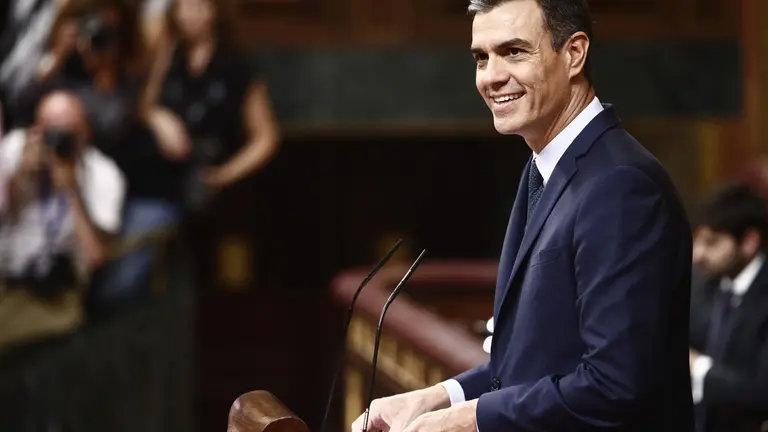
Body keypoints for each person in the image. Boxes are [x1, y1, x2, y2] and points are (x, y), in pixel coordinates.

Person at [351, 0, 694, 431]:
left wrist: (468, 418)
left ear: (574, 54)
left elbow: (615, 385)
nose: (491, 76)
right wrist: (436, 397)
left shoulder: (620, 185)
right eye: (481, 57)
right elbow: (535, 359)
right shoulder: (543, 166)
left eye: (514, 51)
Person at [0, 90, 125, 347]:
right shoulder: (15, 148)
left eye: (66, 132)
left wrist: (71, 191)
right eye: (48, 131)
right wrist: (20, 175)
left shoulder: (104, 174)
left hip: (55, 293)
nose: (56, 141)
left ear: (85, 133)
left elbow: (95, 256)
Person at [689, 182, 768, 432]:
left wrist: (697, 367)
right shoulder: (707, 284)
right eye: (697, 241)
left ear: (749, 242)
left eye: (711, 243)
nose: (697, 255)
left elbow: (761, 394)